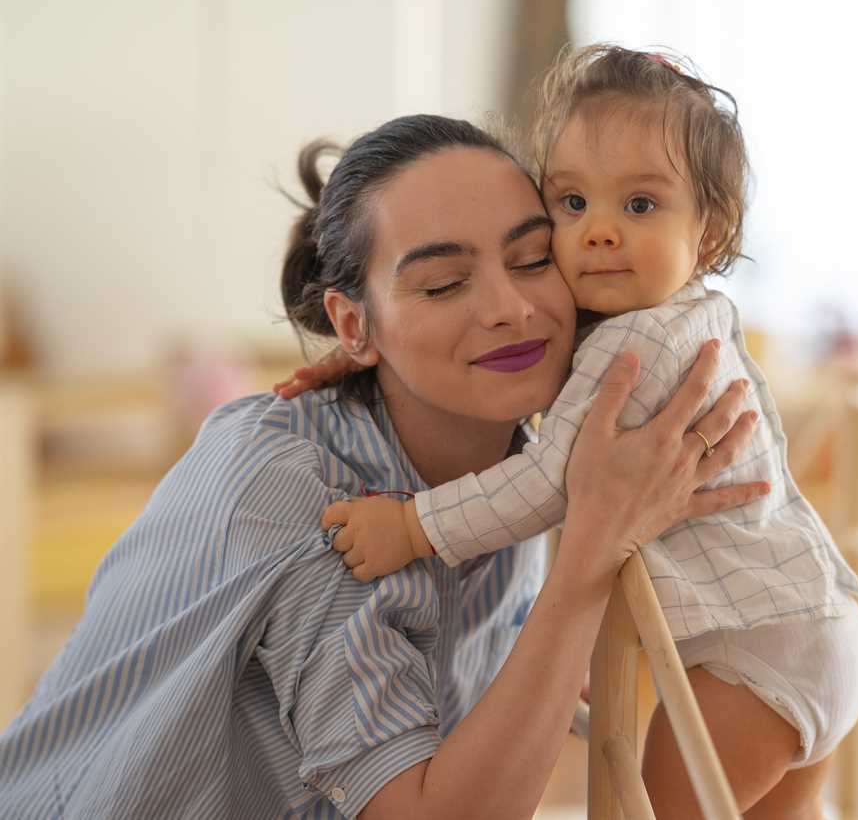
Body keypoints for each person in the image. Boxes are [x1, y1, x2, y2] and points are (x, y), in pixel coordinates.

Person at [0, 114, 766, 819]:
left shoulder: (512, 454)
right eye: (442, 283)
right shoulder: (303, 498)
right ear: (352, 325)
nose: (511, 307)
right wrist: (590, 560)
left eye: (533, 259)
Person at [282, 45, 858, 819]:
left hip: (755, 660)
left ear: (714, 229)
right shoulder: (681, 315)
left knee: (641, 809)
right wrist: (368, 356)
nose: (598, 232)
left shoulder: (634, 349)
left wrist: (412, 526)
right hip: (808, 635)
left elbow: (549, 477)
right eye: (570, 204)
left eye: (639, 206)